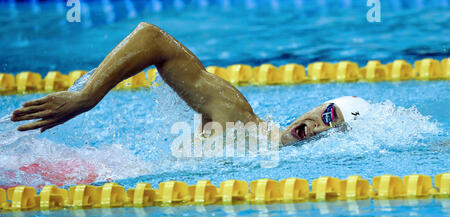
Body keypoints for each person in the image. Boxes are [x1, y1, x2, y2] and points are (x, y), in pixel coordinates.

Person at [11, 22, 346, 146]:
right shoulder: (239, 118)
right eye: (329, 115)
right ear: (314, 107)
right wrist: (86, 96)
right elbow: (152, 38)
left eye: (336, 131)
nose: (320, 129)